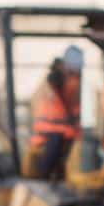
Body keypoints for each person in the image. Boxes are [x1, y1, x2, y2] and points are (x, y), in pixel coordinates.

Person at [27, 46, 83, 180]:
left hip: (60, 128)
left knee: (61, 152)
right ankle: (46, 176)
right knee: (54, 149)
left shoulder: (72, 81)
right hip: (53, 128)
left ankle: (54, 176)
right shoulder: (59, 79)